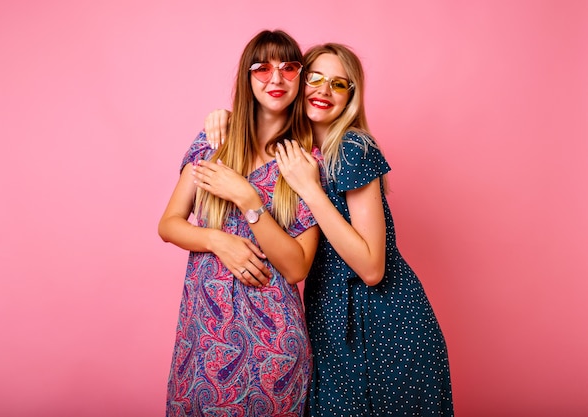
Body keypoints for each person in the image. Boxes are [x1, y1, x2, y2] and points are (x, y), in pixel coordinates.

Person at [205, 43, 454, 416]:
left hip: (385, 324)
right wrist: (228, 116)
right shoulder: (295, 150)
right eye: (315, 78)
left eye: (338, 84)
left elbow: (372, 269)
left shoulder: (353, 147)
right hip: (328, 322)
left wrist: (309, 188)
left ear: (350, 98)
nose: (323, 90)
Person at [158, 30, 322, 416]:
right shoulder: (215, 142)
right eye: (262, 68)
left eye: (289, 67)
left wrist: (250, 201)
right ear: (247, 80)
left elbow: (298, 266)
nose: (276, 79)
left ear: (300, 77)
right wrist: (217, 240)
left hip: (273, 351)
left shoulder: (303, 162)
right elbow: (168, 224)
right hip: (201, 339)